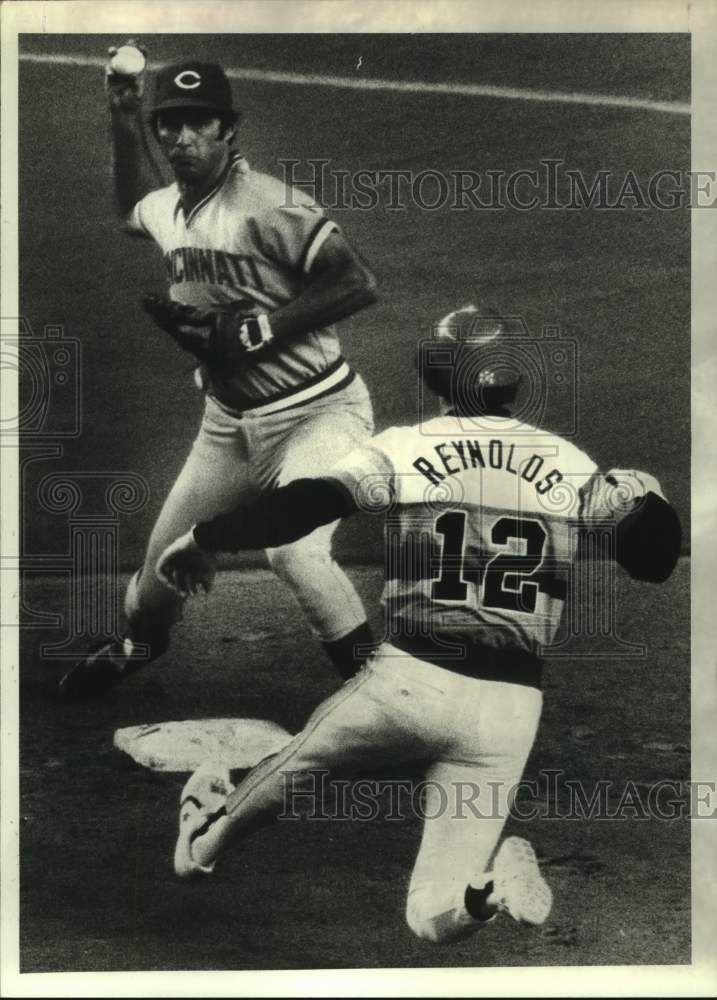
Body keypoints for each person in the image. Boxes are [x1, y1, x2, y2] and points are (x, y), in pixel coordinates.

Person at [155, 305, 681, 944]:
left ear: (433, 376)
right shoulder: (569, 465)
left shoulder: (408, 447)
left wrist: (207, 536)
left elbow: (306, 504)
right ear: (514, 381)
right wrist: (641, 496)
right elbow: (655, 557)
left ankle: (201, 843)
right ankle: (491, 893)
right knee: (431, 915)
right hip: (509, 714)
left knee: (290, 772)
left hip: (407, 688)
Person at [59, 46, 379, 698]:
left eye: (195, 122)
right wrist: (123, 118)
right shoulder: (172, 208)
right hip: (228, 430)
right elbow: (133, 209)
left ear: (228, 129)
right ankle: (134, 649)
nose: (179, 136)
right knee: (155, 582)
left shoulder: (270, 205)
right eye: (167, 124)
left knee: (294, 551)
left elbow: (355, 280)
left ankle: (380, 695)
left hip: (318, 414)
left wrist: (260, 329)